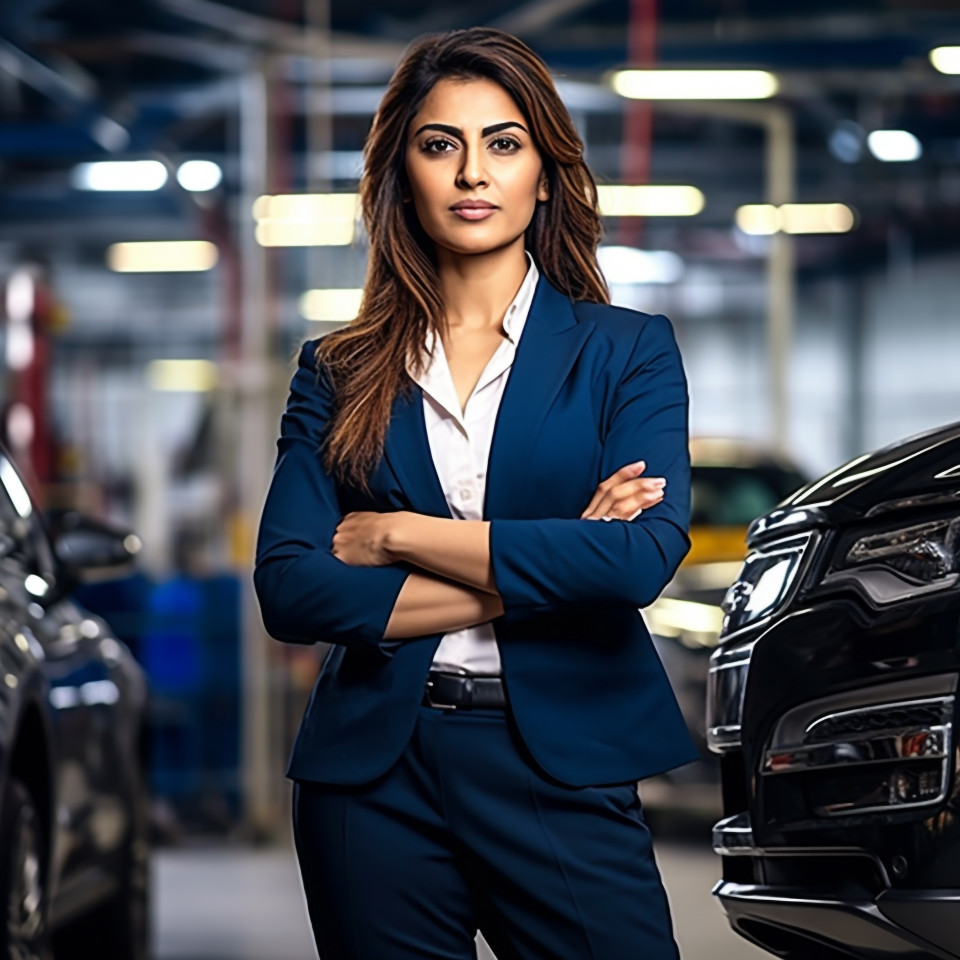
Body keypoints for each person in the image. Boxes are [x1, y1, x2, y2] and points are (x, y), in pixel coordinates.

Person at [255, 25, 698, 960]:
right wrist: (553, 561)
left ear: (545, 172)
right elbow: (292, 589)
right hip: (375, 771)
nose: (472, 174)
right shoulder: (338, 370)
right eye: (439, 144)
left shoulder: (626, 351)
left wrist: (399, 535)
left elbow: (638, 560)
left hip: (563, 762)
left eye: (503, 143)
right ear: (401, 175)